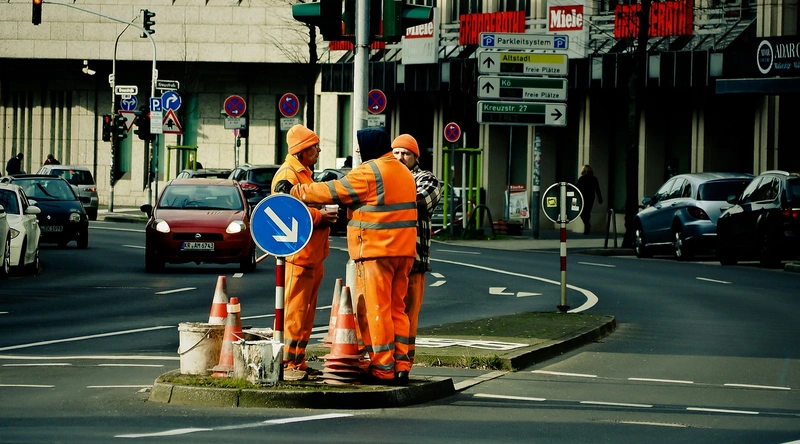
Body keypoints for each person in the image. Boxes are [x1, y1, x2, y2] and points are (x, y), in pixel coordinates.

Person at [275, 127, 418, 386]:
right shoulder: (403, 172)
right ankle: (401, 365)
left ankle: (383, 367)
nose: (358, 152)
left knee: (376, 310)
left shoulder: (371, 171)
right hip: (404, 252)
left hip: (376, 251)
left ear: (370, 147)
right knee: (398, 309)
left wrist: (295, 192)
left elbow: (335, 191)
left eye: (360, 147)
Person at [271, 124, 338, 381]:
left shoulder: (303, 174)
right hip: (298, 256)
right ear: (301, 151)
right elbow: (284, 210)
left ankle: (297, 360)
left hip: (311, 255)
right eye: (314, 147)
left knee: (305, 313)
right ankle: (287, 362)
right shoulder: (288, 175)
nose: (319, 150)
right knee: (294, 312)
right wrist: (320, 216)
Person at [391, 134, 441, 366]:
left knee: (408, 314)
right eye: (396, 152)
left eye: (406, 153)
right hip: (388, 258)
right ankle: (386, 360)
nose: (400, 157)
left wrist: (385, 197)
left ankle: (404, 362)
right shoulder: (387, 177)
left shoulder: (427, 179)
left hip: (415, 260)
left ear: (415, 157)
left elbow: (419, 201)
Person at [576, 164, 603, 235]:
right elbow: (597, 189)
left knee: (582, 212)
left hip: (583, 197)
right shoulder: (594, 179)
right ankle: (587, 226)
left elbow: (576, 188)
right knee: (587, 212)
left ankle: (587, 225)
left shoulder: (582, 178)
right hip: (591, 197)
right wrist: (600, 198)